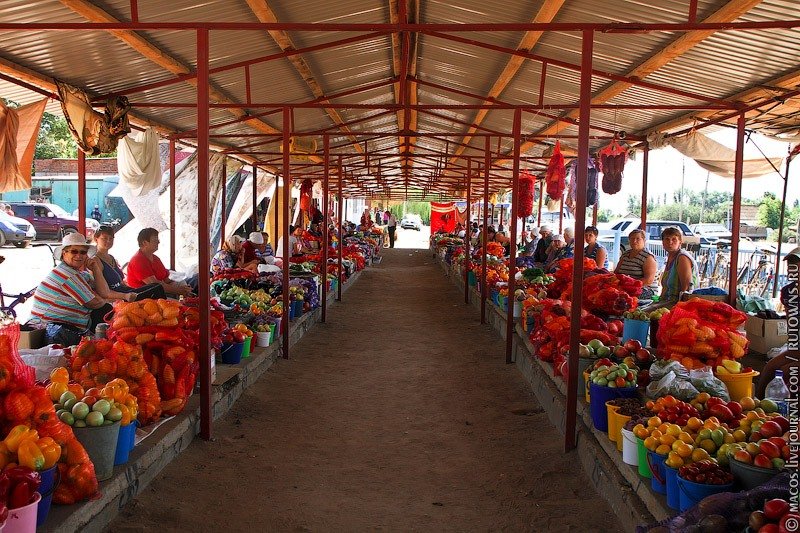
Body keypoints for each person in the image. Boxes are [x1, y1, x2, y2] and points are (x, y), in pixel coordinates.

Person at [30, 233, 134, 346]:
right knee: (105, 310)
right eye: (74, 251)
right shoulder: (66, 275)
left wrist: (95, 269)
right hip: (49, 329)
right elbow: (95, 303)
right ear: (64, 253)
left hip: (64, 327)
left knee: (106, 309)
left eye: (83, 252)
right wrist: (104, 299)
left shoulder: (79, 273)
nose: (79, 256)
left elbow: (104, 292)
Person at [93, 226, 166, 300]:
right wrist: (125, 296)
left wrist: (132, 290)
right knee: (156, 288)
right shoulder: (96, 260)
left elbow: (121, 283)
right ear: (96, 239)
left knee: (156, 286)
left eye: (111, 238)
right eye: (104, 238)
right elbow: (102, 291)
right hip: (118, 297)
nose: (108, 241)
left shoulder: (111, 258)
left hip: (126, 291)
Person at [127, 228, 193, 297]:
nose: (158, 242)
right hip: (146, 296)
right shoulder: (137, 260)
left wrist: (181, 285)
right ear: (145, 243)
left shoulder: (155, 258)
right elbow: (155, 285)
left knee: (182, 283)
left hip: (160, 290)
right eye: (155, 240)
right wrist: (178, 290)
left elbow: (165, 278)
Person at [646, 226, 698, 310]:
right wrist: (657, 301)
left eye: (674, 239)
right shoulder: (669, 257)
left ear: (680, 242)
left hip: (678, 305)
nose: (670, 242)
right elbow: (665, 288)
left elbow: (686, 289)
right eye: (667, 239)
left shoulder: (682, 258)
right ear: (662, 242)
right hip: (667, 301)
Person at [615, 229, 659, 298]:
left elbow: (648, 280)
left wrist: (629, 285)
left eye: (638, 239)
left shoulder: (648, 257)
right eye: (632, 239)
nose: (634, 241)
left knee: (624, 296)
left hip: (646, 289)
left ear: (644, 240)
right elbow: (616, 272)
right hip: (626, 287)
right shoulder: (625, 254)